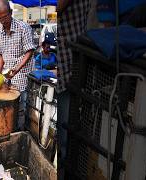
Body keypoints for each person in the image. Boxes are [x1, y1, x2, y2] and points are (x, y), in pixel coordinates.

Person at [56, 0, 91, 179]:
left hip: (69, 67)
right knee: (64, 131)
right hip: (66, 66)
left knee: (65, 135)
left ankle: (66, 171)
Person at [0, 0, 36, 131]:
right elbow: (1, 55)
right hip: (7, 77)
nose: (3, 21)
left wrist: (17, 69)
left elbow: (30, 51)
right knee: (9, 106)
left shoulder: (23, 28)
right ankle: (11, 130)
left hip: (22, 75)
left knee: (22, 107)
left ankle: (21, 132)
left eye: (5, 17)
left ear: (11, 13)